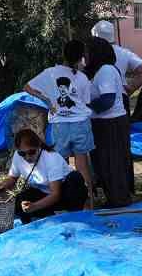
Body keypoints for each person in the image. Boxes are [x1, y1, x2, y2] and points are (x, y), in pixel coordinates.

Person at [23, 39, 95, 197]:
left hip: (60, 125)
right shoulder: (82, 77)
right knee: (82, 165)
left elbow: (27, 87)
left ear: (63, 54)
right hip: (81, 124)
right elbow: (86, 102)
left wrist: (47, 100)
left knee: (60, 165)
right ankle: (88, 204)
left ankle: (62, 201)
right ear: (80, 57)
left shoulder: (50, 73)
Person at [0, 128, 87, 223]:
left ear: (38, 147)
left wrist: (34, 206)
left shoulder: (51, 158)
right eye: (22, 153)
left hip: (63, 194)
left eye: (31, 152)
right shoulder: (18, 156)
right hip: (43, 193)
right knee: (19, 202)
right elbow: (13, 178)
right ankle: (45, 215)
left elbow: (56, 194)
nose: (27, 157)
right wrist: (2, 184)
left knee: (75, 178)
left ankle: (72, 216)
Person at [85, 36, 134, 208]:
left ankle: (119, 199)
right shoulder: (99, 71)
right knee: (104, 163)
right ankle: (113, 197)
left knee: (113, 163)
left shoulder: (106, 70)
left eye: (88, 53)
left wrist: (86, 105)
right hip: (103, 123)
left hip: (110, 123)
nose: (85, 56)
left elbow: (107, 100)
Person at [91, 20, 142, 94]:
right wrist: (132, 88)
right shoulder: (124, 52)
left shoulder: (92, 52)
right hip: (121, 94)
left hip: (99, 95)